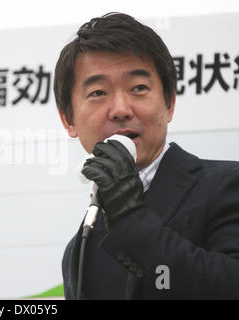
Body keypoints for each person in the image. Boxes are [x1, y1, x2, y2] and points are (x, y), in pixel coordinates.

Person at [54, 12, 239, 299]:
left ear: (169, 104)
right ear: (68, 119)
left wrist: (130, 219)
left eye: (138, 88)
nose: (120, 109)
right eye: (98, 92)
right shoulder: (79, 250)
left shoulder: (228, 186)